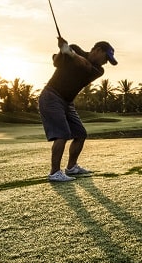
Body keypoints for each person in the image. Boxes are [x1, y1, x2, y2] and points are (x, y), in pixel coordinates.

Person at [39, 37, 117, 181]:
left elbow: (84, 65)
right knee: (62, 134)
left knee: (80, 134)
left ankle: (71, 167)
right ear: (98, 50)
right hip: (51, 96)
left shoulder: (98, 70)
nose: (106, 62)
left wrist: (70, 53)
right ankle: (54, 172)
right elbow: (56, 62)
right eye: (106, 58)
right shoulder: (75, 48)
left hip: (67, 102)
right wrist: (63, 51)